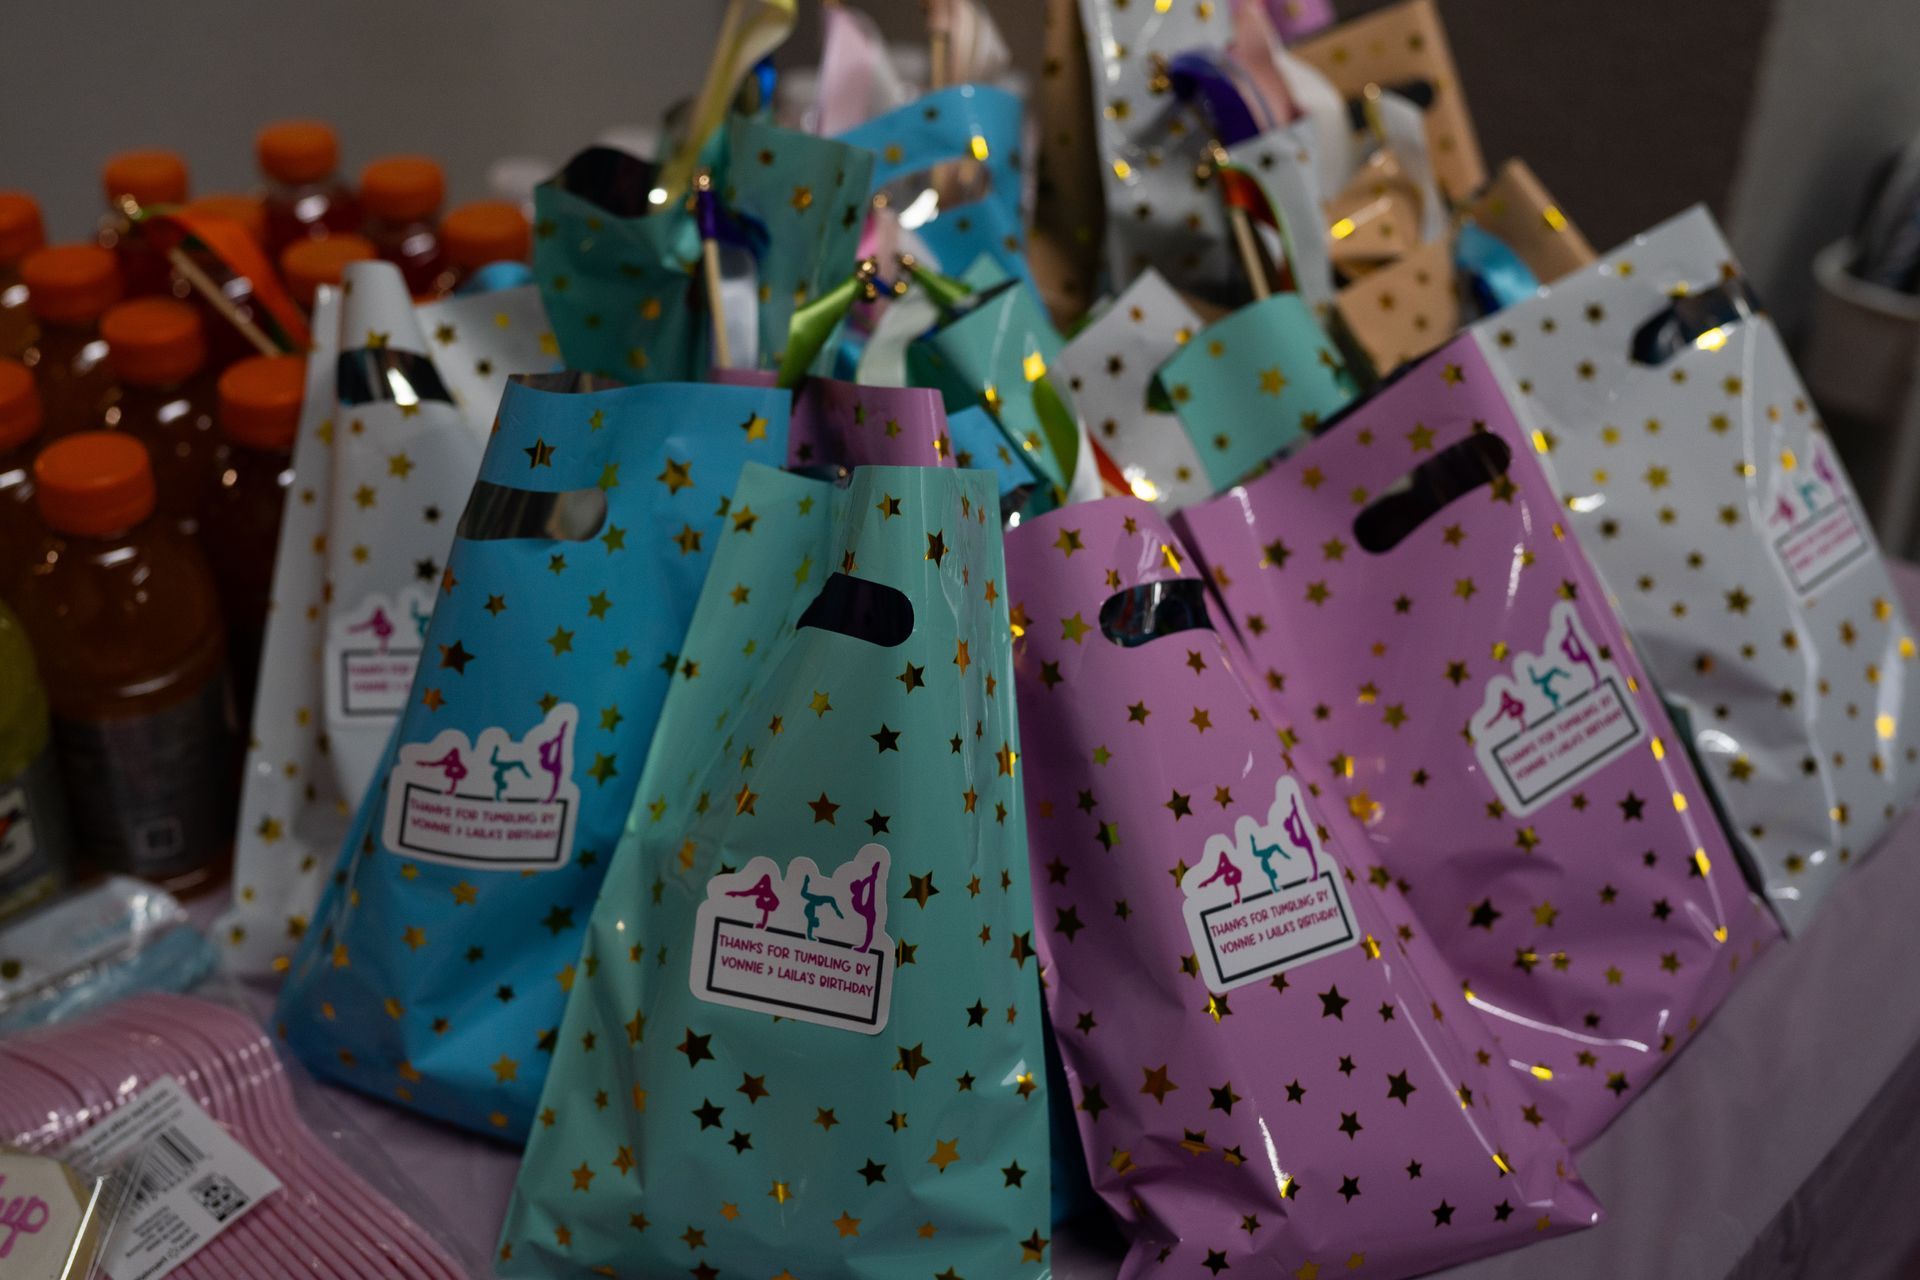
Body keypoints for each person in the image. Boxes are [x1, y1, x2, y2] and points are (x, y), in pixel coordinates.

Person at [798, 875, 844, 941]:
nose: (818, 919)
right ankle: (806, 882)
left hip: (815, 902)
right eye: (818, 921)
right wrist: (836, 910)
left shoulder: (810, 917)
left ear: (814, 921)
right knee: (831, 899)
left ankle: (806, 882)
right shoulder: (811, 917)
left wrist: (810, 937)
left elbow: (809, 928)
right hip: (816, 902)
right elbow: (810, 929)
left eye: (817, 921)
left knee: (803, 894)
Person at [847, 861, 881, 952]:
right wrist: (873, 875)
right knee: (871, 890)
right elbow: (866, 882)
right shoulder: (856, 896)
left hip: (867, 909)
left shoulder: (859, 892)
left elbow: (867, 882)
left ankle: (865, 947)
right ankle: (865, 947)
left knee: (871, 891)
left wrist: (873, 875)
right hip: (865, 909)